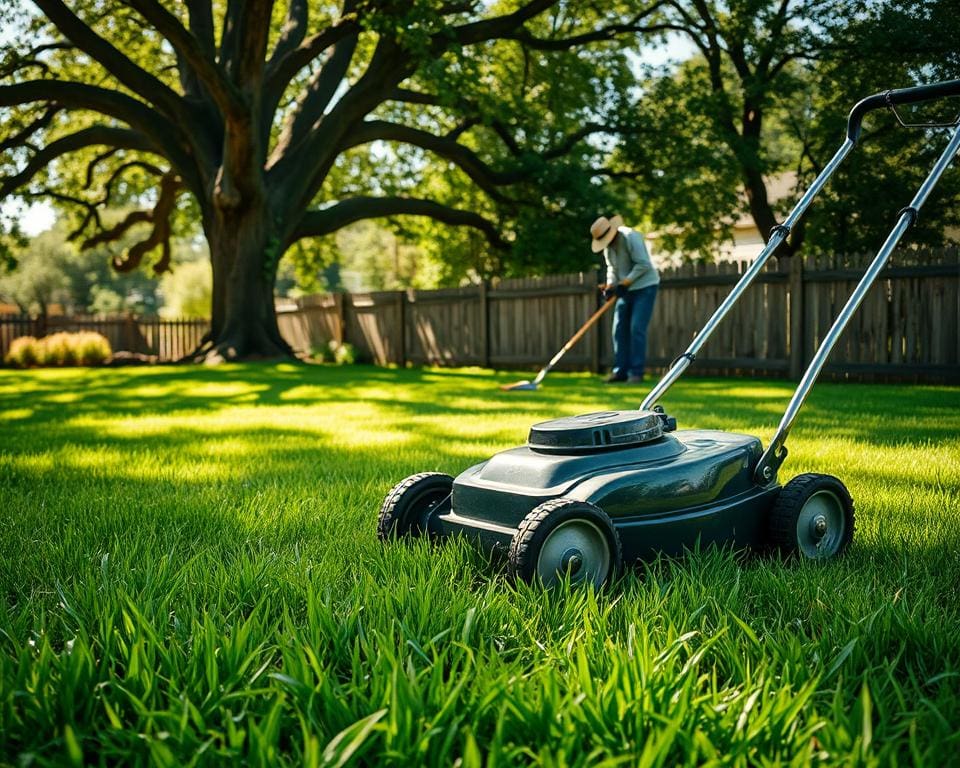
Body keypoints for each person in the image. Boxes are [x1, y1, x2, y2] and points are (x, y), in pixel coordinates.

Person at [590, 215, 660, 383]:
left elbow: (643, 264)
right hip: (626, 290)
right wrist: (610, 286)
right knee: (619, 329)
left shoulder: (630, 237)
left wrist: (625, 282)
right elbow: (612, 269)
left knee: (636, 328)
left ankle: (636, 372)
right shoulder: (608, 247)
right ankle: (620, 371)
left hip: (645, 287)